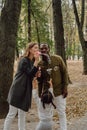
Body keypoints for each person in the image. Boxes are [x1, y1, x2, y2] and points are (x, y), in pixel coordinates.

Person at [3, 42, 40, 130]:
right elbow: (30, 73)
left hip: (26, 89)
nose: (37, 50)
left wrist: (37, 74)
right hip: (18, 89)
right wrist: (37, 61)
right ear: (30, 50)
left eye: (37, 48)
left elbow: (32, 75)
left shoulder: (31, 61)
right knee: (12, 114)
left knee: (22, 114)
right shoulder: (24, 60)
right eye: (35, 48)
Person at [37, 43, 69, 130]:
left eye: (45, 48)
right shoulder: (40, 64)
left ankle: (63, 128)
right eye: (41, 49)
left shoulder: (57, 59)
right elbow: (40, 82)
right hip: (47, 92)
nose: (43, 50)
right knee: (47, 113)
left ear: (49, 49)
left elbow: (65, 73)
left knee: (61, 112)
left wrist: (65, 87)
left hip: (59, 90)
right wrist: (40, 94)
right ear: (40, 51)